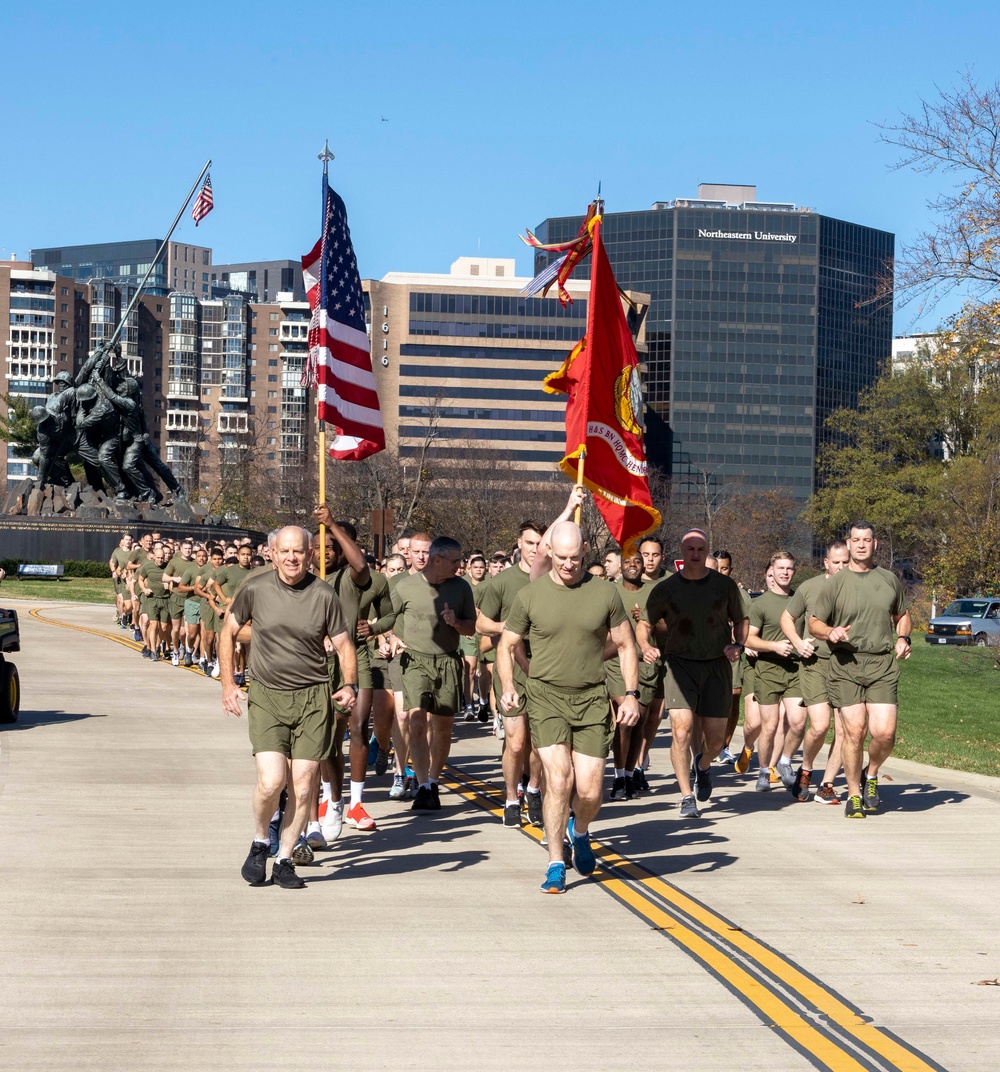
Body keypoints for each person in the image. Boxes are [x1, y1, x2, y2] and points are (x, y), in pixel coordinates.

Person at [499, 513, 639, 895]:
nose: (567, 564)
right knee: (558, 780)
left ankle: (580, 831)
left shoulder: (605, 593)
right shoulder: (530, 595)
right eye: (560, 557)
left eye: (574, 557)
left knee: (591, 791)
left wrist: (631, 693)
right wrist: (509, 686)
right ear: (550, 553)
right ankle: (556, 861)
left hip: (592, 698)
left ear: (585, 552)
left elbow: (626, 645)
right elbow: (506, 645)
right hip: (546, 698)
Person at [221, 526, 357, 889]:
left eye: (299, 551)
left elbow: (344, 645)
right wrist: (228, 683)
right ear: (273, 553)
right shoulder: (256, 588)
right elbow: (227, 631)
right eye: (285, 551)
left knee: (302, 784)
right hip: (268, 695)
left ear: (310, 553)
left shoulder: (324, 594)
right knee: (271, 781)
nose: (292, 558)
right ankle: (260, 841)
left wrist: (349, 684)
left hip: (313, 697)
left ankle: (283, 858)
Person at [636, 529, 748, 819]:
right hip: (679, 665)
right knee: (682, 731)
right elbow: (644, 623)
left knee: (714, 740)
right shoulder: (666, 589)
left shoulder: (724, 586)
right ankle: (686, 796)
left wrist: (738, 644)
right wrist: (645, 645)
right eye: (690, 549)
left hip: (716, 665)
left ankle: (704, 764)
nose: (695, 554)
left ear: (707, 550)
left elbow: (741, 619)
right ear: (682, 553)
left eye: (700, 549)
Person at [808, 522, 912, 820]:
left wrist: (903, 637)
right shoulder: (835, 583)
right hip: (845, 665)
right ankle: (854, 794)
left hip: (881, 663)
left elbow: (902, 614)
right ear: (849, 544)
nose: (862, 545)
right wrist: (831, 632)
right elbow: (814, 622)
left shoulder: (889, 579)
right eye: (856, 540)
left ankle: (872, 773)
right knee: (854, 732)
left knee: (885, 733)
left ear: (875, 544)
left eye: (867, 540)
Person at [391, 536, 477, 811]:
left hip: (448, 662)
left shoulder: (461, 588)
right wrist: (389, 637)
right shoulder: (405, 586)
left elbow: (471, 628)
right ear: (437, 560)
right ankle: (423, 785)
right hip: (415, 660)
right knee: (416, 722)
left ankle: (433, 781)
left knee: (442, 727)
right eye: (455, 561)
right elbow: (386, 617)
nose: (459, 566)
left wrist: (456, 623)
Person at [476, 520, 548, 827]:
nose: (535, 549)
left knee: (540, 744)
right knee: (516, 743)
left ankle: (533, 789)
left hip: (547, 670)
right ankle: (510, 797)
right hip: (513, 670)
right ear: (519, 544)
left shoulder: (553, 579)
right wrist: (507, 628)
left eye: (540, 544)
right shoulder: (503, 582)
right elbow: (481, 624)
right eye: (530, 543)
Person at [779, 540, 850, 802]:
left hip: (846, 665)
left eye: (845, 562)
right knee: (820, 726)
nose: (841, 567)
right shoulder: (810, 587)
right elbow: (787, 618)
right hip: (816, 664)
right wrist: (798, 643)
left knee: (846, 731)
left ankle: (827, 785)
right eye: (836, 562)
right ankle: (806, 770)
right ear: (826, 563)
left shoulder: (857, 586)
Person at [744, 552, 805, 794]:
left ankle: (785, 762)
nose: (785, 572)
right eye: (780, 568)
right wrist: (773, 646)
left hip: (796, 669)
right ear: (772, 569)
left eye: (789, 568)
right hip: (768, 670)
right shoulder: (760, 603)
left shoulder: (800, 600)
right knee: (769, 726)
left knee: (798, 723)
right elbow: (748, 638)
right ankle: (762, 771)